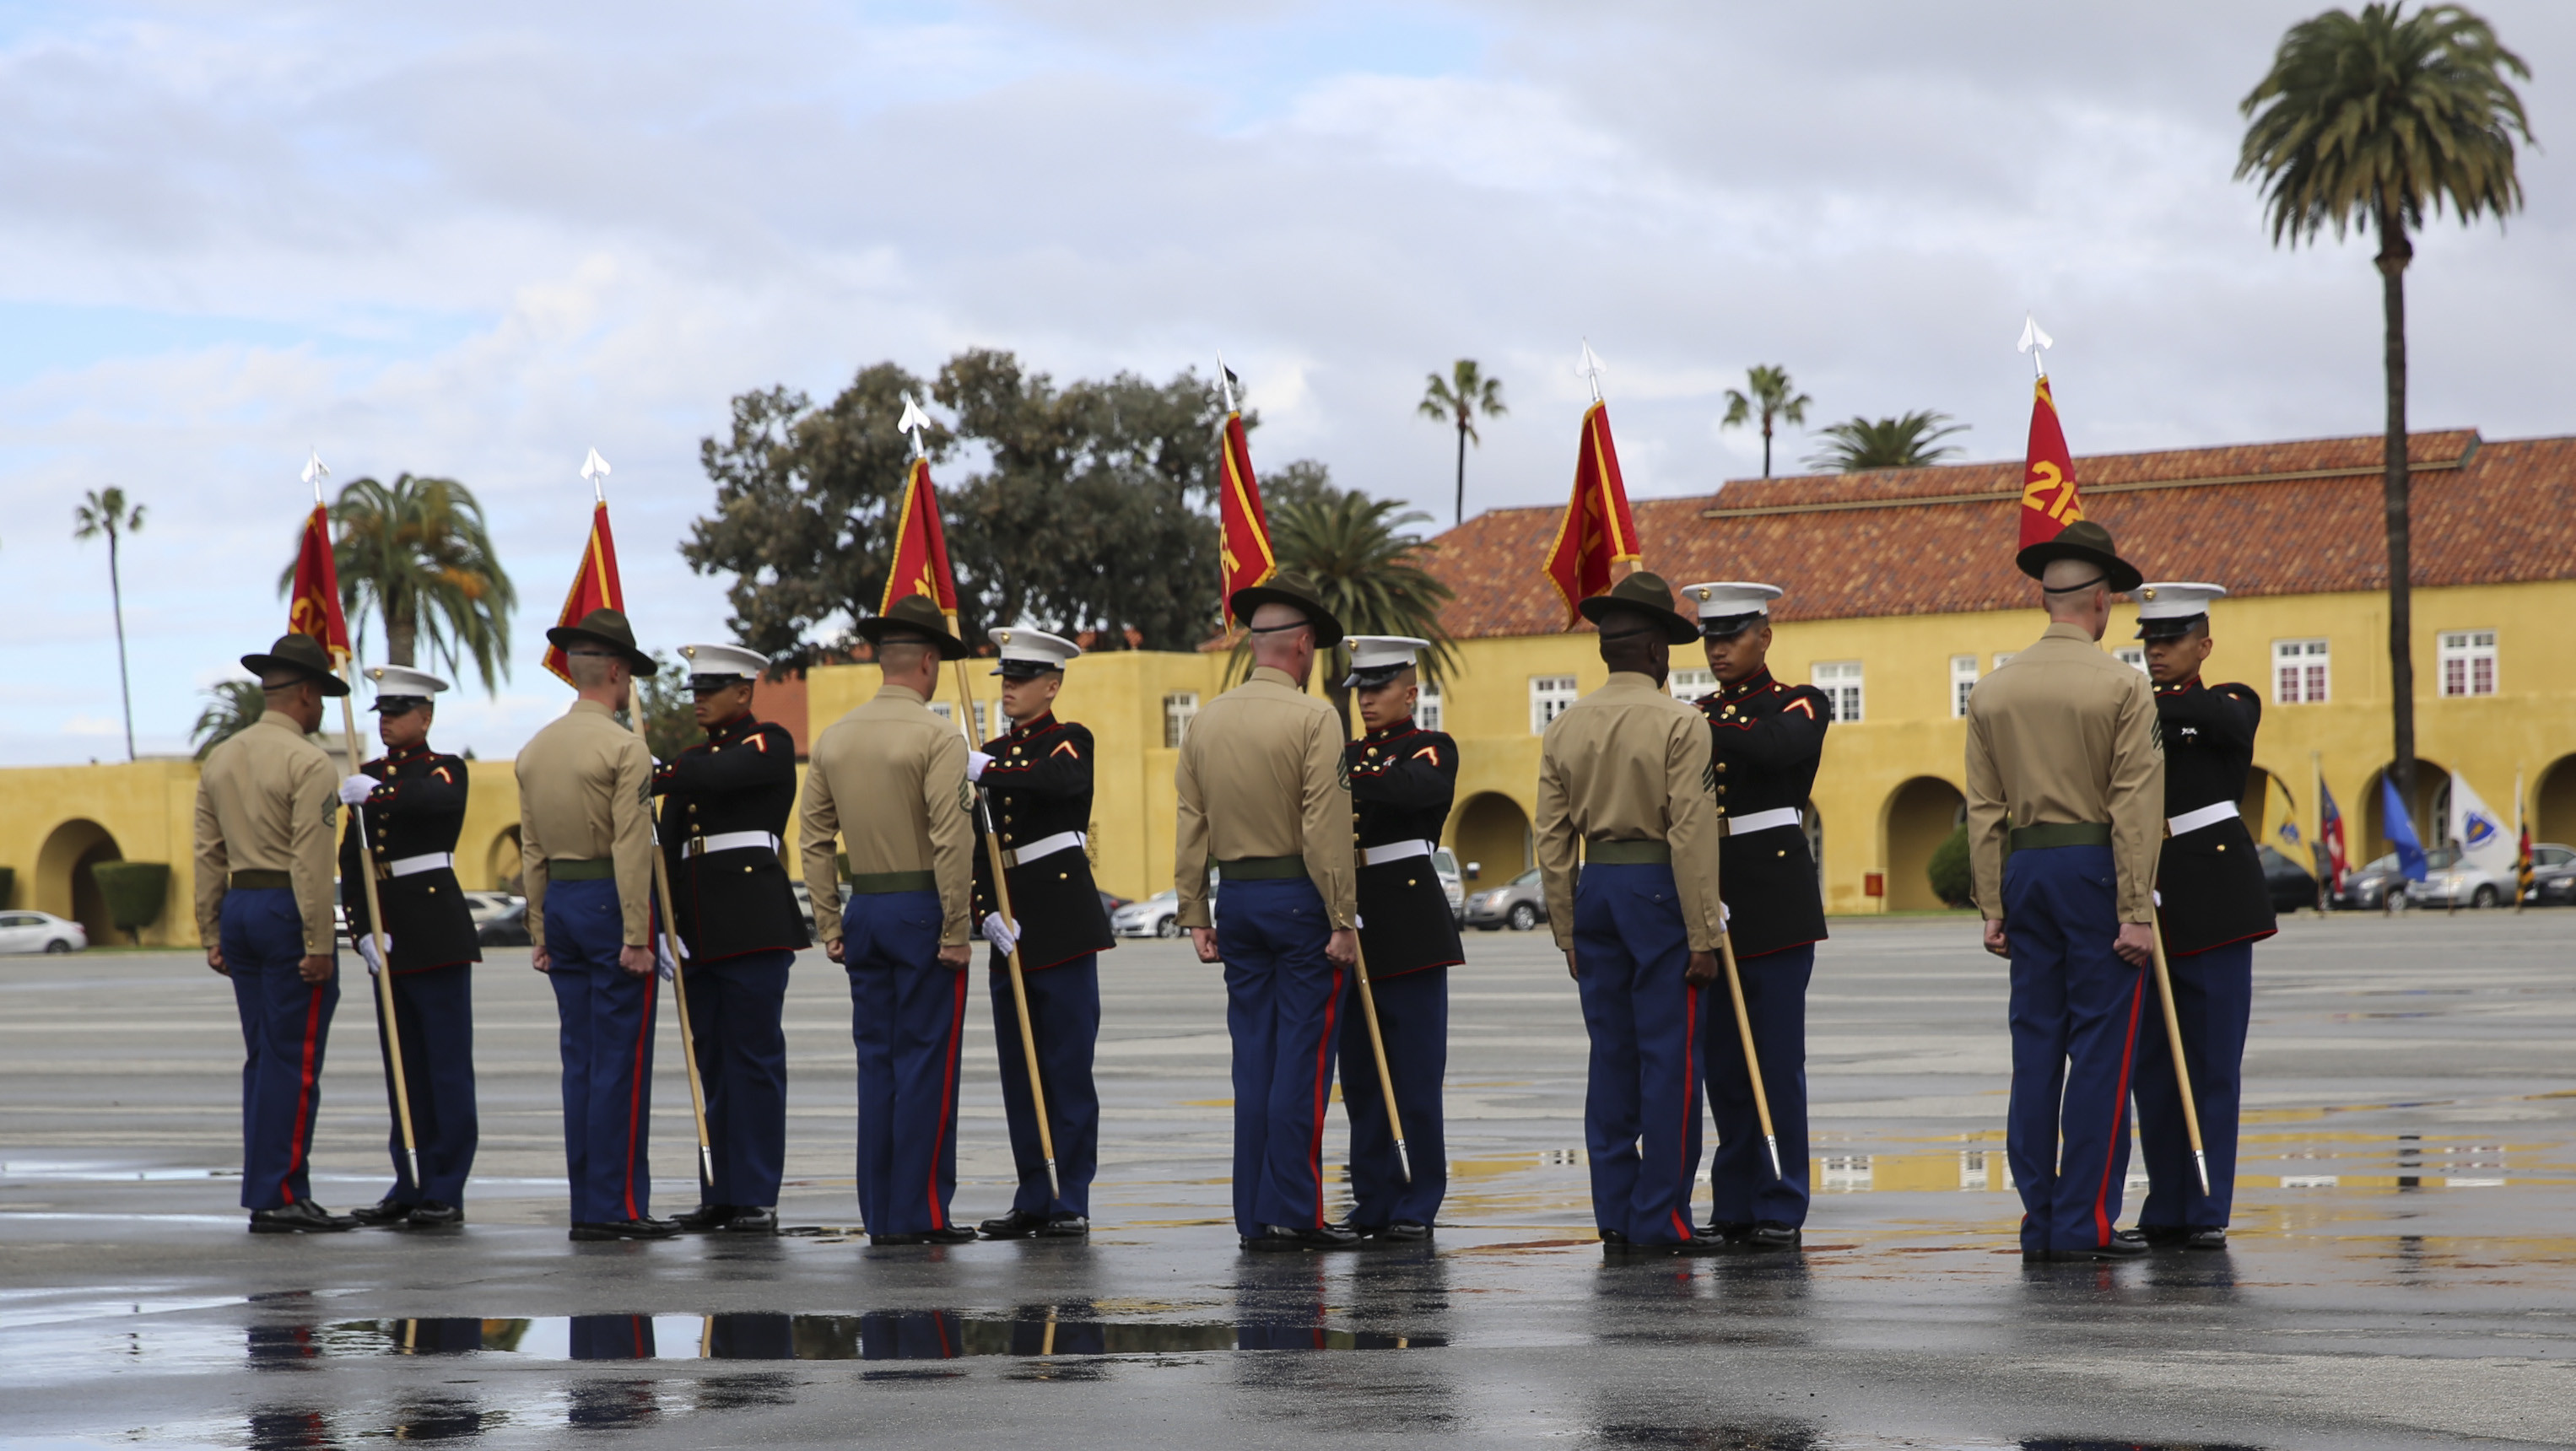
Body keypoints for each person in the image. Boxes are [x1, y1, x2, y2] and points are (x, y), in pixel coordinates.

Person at [1963, 521, 2164, 1263]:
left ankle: (2039, 1218)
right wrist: (2135, 909)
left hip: (2025, 873)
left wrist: (1991, 906)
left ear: (2047, 599)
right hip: (2094, 870)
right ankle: (2083, 1224)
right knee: (2101, 1054)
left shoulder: (1992, 690)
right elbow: (2136, 804)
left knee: (2035, 1051)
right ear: (2103, 602)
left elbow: (1982, 809)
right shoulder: (2122, 686)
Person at [1534, 572, 1726, 1255]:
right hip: (1657, 890)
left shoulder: (1563, 726)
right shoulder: (1680, 723)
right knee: (1669, 1058)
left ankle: (1614, 1212)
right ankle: (1661, 1217)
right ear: (1652, 653)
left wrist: (1565, 929)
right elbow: (1691, 836)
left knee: (1610, 1057)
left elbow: (1551, 841)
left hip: (1596, 889)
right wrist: (1703, 932)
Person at [1174, 573, 1361, 1252]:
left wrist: (1195, 909)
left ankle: (1254, 1214)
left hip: (1238, 901)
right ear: (1303, 646)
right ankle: (1295, 1212)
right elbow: (1324, 827)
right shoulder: (1314, 718)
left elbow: (1190, 821)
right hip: (1298, 899)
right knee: (1302, 1062)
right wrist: (1343, 917)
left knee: (1252, 1059)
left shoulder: (1206, 719)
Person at [799, 593, 979, 1247]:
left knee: (877, 1068)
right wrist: (957, 928)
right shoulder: (937, 737)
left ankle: (881, 1212)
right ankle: (921, 1214)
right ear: (928, 663)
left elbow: (812, 839)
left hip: (866, 909)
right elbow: (951, 838)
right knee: (926, 1067)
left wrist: (829, 921)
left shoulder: (835, 737)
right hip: (923, 909)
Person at [516, 607, 673, 1242]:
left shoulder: (535, 748)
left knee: (580, 1062)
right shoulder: (623, 747)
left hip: (562, 901)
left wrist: (538, 930)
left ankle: (590, 1202)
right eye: (630, 672)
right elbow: (633, 846)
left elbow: (530, 849)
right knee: (620, 1063)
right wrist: (638, 934)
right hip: (611, 900)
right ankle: (618, 1206)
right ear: (615, 670)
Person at [1680, 581, 1829, 1252]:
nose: (1717, 649)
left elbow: (1774, 749)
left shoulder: (1799, 702)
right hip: (1711, 890)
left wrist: (1696, 724)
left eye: (1731, 635)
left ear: (1763, 636)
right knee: (1722, 1066)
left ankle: (1778, 1199)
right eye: (1709, 638)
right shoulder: (1699, 711)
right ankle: (1734, 1199)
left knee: (1772, 1061)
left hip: (1772, 896)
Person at [194, 634, 357, 1233]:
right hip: (286, 910)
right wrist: (320, 943)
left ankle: (270, 1187)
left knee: (264, 1057)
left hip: (240, 904)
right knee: (294, 1059)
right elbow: (312, 863)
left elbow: (207, 851)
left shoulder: (222, 756)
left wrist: (210, 927)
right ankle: (282, 1192)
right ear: (308, 696)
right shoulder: (309, 762)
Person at [2130, 582, 2276, 1251]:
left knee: (2212, 1061)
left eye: (2170, 642)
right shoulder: (2132, 704)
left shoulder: (2230, 698)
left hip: (2214, 899)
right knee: (2154, 1069)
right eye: (2150, 643)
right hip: (2144, 888)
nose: (2156, 653)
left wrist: (2159, 713)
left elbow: (2226, 725)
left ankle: (2207, 1205)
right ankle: (2166, 1203)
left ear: (2203, 645)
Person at [659, 643, 810, 1237]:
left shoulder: (765, 743)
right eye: (694, 691)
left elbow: (722, 774)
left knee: (752, 1062)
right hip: (698, 931)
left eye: (710, 690)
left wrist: (661, 771)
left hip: (751, 927)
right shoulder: (690, 760)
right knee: (712, 1064)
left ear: (744, 692)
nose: (699, 700)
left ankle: (754, 1194)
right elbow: (667, 850)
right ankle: (719, 1193)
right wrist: (664, 923)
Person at [970, 628, 1114, 1240]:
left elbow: (1055, 784)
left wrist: (986, 767)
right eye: (1005, 677)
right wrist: (983, 911)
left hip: (1060, 921)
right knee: (1020, 1070)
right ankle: (1033, 1191)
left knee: (1064, 1066)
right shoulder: (993, 754)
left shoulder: (1066, 742)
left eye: (1023, 678)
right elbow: (978, 846)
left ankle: (1069, 1195)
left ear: (1052, 685)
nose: (1010, 688)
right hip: (1012, 927)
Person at [338, 665, 481, 1231]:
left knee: (445, 1069)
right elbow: (352, 862)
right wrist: (361, 928)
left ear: (425, 716)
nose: (388, 723)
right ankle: (410, 1179)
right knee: (404, 1070)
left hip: (436, 933)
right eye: (383, 714)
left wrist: (380, 795)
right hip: (389, 933)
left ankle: (446, 1186)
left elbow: (434, 804)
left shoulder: (444, 771)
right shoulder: (366, 777)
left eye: (398, 713)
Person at [1336, 634, 1463, 1243]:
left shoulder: (1430, 748)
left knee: (1413, 1076)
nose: (1366, 699)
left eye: (1379, 686)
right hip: (1350, 919)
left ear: (1410, 692)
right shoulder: (1346, 754)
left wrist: (1343, 776)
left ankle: (1419, 1197)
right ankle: (1374, 1197)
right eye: (1360, 687)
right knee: (1360, 1077)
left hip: (1410, 925)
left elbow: (1417, 790)